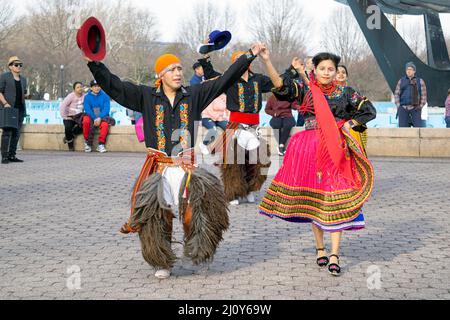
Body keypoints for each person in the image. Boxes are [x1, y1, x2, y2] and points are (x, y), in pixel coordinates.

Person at [83, 43, 264, 279]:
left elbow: (225, 80)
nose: (178, 73)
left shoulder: (194, 95)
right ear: (161, 75)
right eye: (172, 69)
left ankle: (198, 250)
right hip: (158, 168)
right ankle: (162, 260)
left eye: (179, 68)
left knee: (193, 214)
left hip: (186, 166)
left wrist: (248, 57)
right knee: (160, 216)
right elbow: (114, 86)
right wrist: (94, 63)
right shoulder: (145, 96)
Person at [258, 49, 377, 277]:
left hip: (336, 151)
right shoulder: (306, 91)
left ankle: (334, 254)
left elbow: (368, 110)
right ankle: (320, 248)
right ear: (315, 70)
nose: (326, 72)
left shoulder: (346, 93)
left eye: (330, 69)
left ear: (336, 71)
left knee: (334, 198)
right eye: (322, 68)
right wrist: (267, 60)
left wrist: (350, 124)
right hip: (310, 151)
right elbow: (281, 87)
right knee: (317, 201)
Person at [197, 50, 274, 206]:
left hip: (254, 127)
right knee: (233, 162)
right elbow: (211, 74)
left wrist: (293, 71)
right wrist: (205, 56)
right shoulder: (229, 80)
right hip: (236, 125)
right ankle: (232, 192)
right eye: (238, 60)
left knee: (260, 160)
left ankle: (250, 189)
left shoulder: (258, 79)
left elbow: (277, 82)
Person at [1, 56, 27, 164]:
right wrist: (5, 103)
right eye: (16, 65)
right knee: (7, 133)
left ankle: (12, 155)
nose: (18, 67)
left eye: (20, 65)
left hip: (20, 109)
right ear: (10, 66)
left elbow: (23, 94)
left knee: (16, 133)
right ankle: (5, 156)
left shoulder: (23, 79)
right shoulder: (4, 77)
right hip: (8, 108)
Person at [82, 80, 114, 153]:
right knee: (85, 120)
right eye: (95, 86)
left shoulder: (105, 96)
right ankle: (87, 143)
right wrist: (94, 118)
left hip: (102, 117)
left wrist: (99, 117)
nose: (97, 88)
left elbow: (106, 109)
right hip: (91, 116)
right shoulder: (87, 97)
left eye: (98, 86)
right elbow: (87, 109)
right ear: (91, 88)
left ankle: (101, 144)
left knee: (105, 125)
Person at [394, 62, 427, 128]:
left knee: (418, 130)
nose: (408, 71)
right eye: (407, 69)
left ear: (414, 71)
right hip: (403, 109)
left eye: (410, 69)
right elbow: (396, 94)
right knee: (403, 130)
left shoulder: (420, 81)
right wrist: (399, 106)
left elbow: (424, 96)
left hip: (415, 109)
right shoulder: (401, 81)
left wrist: (420, 107)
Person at [60, 82, 85, 151]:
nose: (80, 88)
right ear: (74, 90)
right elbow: (63, 106)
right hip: (70, 117)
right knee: (68, 128)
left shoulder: (85, 96)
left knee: (85, 125)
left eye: (81, 87)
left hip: (79, 118)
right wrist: (64, 116)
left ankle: (70, 136)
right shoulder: (71, 96)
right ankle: (70, 146)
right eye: (78, 87)